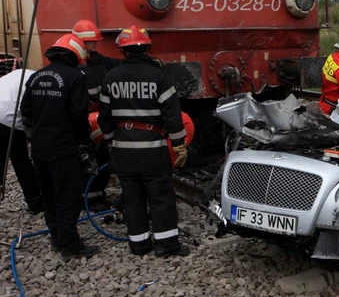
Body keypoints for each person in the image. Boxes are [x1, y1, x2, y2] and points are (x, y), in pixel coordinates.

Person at [98, 25, 189, 257]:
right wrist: (179, 144)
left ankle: (138, 245)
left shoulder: (110, 78)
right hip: (152, 150)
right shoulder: (158, 77)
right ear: (147, 48)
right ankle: (167, 246)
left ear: (122, 50)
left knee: (132, 198)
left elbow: (104, 119)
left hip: (123, 151)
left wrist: (111, 142)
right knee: (160, 197)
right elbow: (172, 115)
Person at [20, 34, 101, 259]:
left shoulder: (36, 76)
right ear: (75, 55)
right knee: (67, 195)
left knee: (49, 195)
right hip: (63, 148)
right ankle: (70, 245)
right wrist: (83, 140)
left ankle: (57, 237)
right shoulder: (75, 77)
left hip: (39, 148)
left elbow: (25, 110)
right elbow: (78, 114)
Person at [0, 68, 43, 214]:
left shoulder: (22, 72)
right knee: (21, 162)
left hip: (5, 112)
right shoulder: (40, 81)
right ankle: (35, 203)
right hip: (8, 117)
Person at [89, 111, 194, 168]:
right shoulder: (119, 123)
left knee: (162, 167)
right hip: (171, 124)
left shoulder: (124, 130)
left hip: (180, 126)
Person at [72, 19, 122, 113]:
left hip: (102, 111)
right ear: (81, 41)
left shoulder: (98, 60)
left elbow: (120, 64)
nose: (96, 43)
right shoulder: (72, 64)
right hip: (84, 113)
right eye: (92, 40)